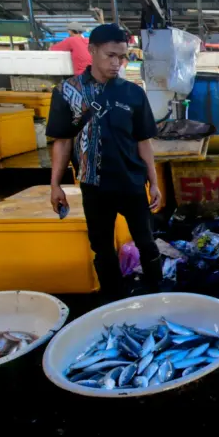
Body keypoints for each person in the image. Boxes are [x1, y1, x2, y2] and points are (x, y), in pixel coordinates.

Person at [47, 23, 163, 300]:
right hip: (93, 184)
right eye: (110, 55)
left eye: (122, 57)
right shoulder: (67, 92)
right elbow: (62, 141)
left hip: (132, 182)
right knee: (101, 247)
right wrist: (55, 185)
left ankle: (157, 294)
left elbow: (143, 141)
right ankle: (113, 299)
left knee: (146, 242)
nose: (116, 63)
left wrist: (154, 182)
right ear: (92, 51)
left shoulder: (133, 93)